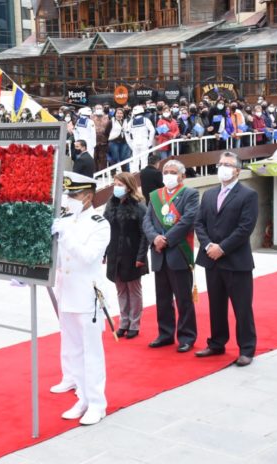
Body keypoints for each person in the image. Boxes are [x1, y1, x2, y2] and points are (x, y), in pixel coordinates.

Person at [51, 172, 110, 426]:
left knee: (91, 352)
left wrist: (66, 236)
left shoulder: (99, 224)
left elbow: (87, 257)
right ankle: (83, 398)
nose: (69, 199)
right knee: (74, 349)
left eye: (73, 194)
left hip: (87, 296)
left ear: (87, 196)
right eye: (68, 195)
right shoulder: (66, 220)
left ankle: (97, 403)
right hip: (66, 293)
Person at [194, 152, 258, 366]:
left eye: (228, 165)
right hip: (211, 259)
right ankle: (216, 343)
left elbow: (245, 228)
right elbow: (199, 223)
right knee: (216, 305)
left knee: (242, 307)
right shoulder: (210, 194)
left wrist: (222, 248)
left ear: (237, 170)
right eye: (220, 164)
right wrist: (208, 245)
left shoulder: (248, 195)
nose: (223, 167)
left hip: (236, 261)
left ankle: (247, 349)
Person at [142, 160, 199, 351]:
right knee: (162, 299)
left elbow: (188, 220)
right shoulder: (155, 196)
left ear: (181, 175)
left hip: (178, 252)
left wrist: (166, 239)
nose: (168, 175)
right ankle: (165, 334)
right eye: (166, 171)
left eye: (173, 172)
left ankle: (186, 337)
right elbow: (147, 221)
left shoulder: (190, 194)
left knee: (183, 299)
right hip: (159, 254)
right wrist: (155, 238)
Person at [104, 172, 148, 339]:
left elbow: (145, 234)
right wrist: (105, 252)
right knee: (120, 289)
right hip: (115, 253)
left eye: (120, 184)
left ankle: (134, 324)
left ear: (129, 186)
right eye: (115, 184)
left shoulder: (139, 206)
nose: (117, 187)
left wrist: (141, 257)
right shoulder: (111, 204)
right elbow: (105, 230)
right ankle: (124, 321)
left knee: (133, 289)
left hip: (133, 254)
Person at [127, 105, 155, 172]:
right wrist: (150, 142)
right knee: (144, 160)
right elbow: (152, 130)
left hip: (135, 142)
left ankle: (135, 175)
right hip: (144, 141)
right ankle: (143, 175)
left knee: (135, 160)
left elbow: (127, 133)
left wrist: (130, 143)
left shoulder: (130, 122)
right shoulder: (146, 120)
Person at [91, 105, 111, 172]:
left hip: (104, 141)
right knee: (94, 157)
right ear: (94, 109)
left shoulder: (107, 117)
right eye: (97, 108)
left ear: (102, 109)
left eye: (100, 108)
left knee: (103, 157)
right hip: (93, 141)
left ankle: (103, 172)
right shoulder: (91, 117)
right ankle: (95, 172)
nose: (98, 109)